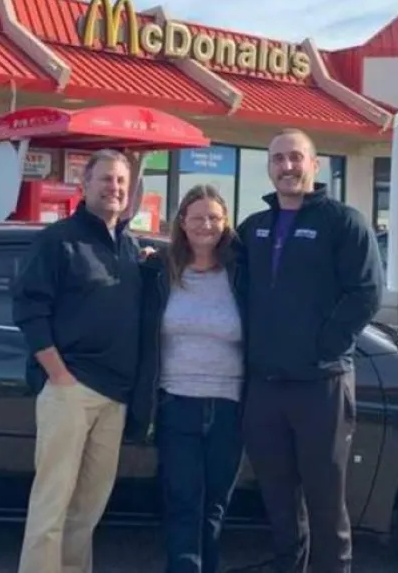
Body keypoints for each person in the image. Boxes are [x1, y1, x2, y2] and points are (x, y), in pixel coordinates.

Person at [234, 128, 383, 573]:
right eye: (278, 158)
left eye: (296, 157)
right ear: (269, 167)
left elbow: (366, 292)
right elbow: (215, 271)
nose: (287, 166)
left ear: (314, 165)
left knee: (325, 497)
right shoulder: (253, 228)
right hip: (264, 386)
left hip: (321, 385)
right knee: (277, 495)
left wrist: (322, 346)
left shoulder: (344, 222)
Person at [13, 149, 144, 573]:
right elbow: (29, 308)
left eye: (121, 181)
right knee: (52, 504)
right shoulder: (59, 240)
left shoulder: (129, 245)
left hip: (114, 396)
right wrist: (59, 375)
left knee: (87, 510)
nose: (114, 188)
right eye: (105, 179)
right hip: (71, 389)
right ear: (84, 185)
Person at [129, 185, 246, 573]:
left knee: (214, 508)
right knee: (183, 505)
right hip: (177, 403)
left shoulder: (242, 273)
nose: (205, 225)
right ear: (182, 222)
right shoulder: (159, 271)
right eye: (196, 217)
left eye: (213, 217)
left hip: (230, 408)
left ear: (225, 222)